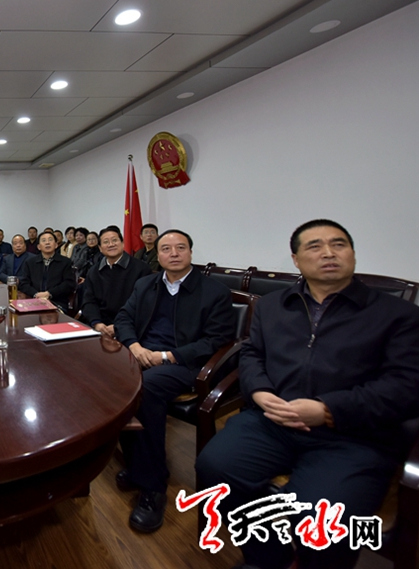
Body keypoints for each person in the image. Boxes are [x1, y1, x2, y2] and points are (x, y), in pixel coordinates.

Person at [196, 219, 419, 569]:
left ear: (352, 254)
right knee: (215, 468)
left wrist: (328, 409)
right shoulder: (272, 306)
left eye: (338, 244)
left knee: (320, 517)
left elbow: (406, 386)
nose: (328, 252)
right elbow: (252, 354)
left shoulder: (398, 315)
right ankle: (268, 557)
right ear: (296, 259)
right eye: (314, 246)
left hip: (352, 435)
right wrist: (260, 392)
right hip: (271, 421)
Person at [112, 229, 236, 533]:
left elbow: (217, 339)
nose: (174, 253)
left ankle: (153, 486)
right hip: (143, 355)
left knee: (145, 387)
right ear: (158, 255)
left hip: (186, 363)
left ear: (191, 252)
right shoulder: (146, 284)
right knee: (109, 378)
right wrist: (135, 347)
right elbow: (124, 318)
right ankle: (137, 464)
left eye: (181, 248)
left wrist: (167, 356)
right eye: (166, 249)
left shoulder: (214, 291)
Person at [81, 227, 151, 335]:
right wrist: (96, 322)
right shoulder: (94, 271)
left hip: (131, 326)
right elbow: (89, 301)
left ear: (122, 243)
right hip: (100, 326)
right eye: (106, 242)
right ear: (100, 248)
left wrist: (120, 326)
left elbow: (144, 305)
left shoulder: (141, 269)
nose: (111, 244)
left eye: (114, 240)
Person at [19, 232, 76, 306]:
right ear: (39, 247)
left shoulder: (65, 262)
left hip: (57, 302)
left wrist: (49, 293)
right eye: (44, 240)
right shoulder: (30, 262)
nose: (47, 243)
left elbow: (69, 284)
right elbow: (24, 283)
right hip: (33, 300)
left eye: (50, 240)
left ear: (56, 245)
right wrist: (36, 294)